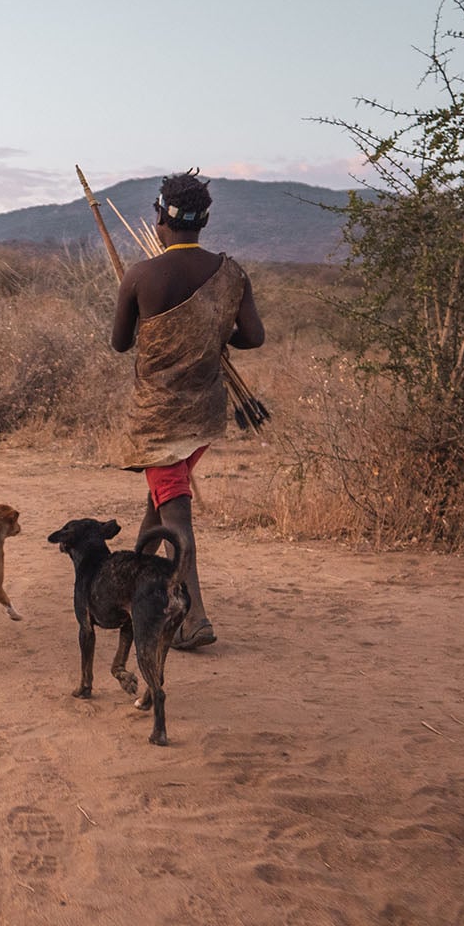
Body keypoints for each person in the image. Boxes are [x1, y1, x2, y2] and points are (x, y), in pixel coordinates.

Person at [111, 169, 264, 649]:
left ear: (160, 218)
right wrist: (212, 335)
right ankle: (127, 596)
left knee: (176, 519)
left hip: (157, 420)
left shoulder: (140, 275)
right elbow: (253, 337)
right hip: (203, 417)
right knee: (159, 505)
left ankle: (193, 617)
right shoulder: (231, 273)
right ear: (204, 220)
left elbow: (120, 343)